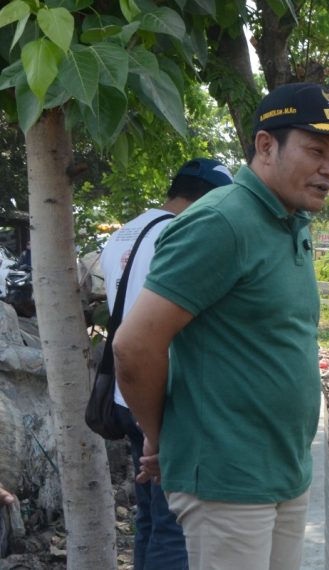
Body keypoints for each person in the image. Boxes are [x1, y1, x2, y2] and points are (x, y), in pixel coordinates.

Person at [113, 83, 329, 570]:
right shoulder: (222, 222)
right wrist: (164, 437)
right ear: (265, 146)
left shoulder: (289, 222)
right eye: (316, 151)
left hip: (284, 475)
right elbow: (134, 346)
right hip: (228, 483)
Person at [100, 158, 233, 570]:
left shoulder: (122, 235)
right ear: (207, 198)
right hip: (166, 398)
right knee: (175, 522)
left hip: (128, 395)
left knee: (150, 516)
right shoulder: (181, 234)